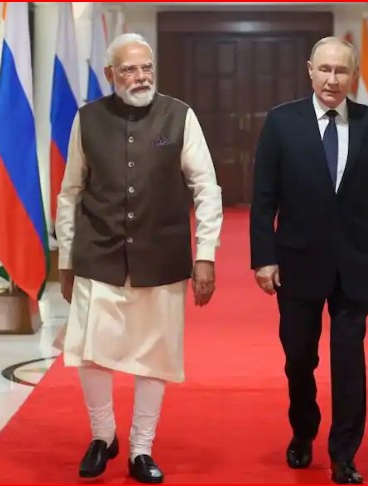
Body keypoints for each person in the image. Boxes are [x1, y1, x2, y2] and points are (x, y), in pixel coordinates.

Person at [55, 33, 223, 484]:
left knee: (155, 357)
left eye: (146, 67)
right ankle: (102, 436)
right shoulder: (87, 119)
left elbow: (206, 188)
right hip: (97, 252)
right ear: (110, 74)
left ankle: (141, 448)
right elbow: (70, 192)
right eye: (129, 69)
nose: (140, 76)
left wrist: (206, 254)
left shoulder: (180, 116)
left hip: (162, 257)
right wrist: (66, 258)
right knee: (90, 352)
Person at [249, 37, 368, 484]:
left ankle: (344, 453)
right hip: (297, 261)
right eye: (324, 69)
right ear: (310, 70)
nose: (332, 79)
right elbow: (263, 198)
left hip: (354, 262)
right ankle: (303, 431)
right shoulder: (282, 122)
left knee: (349, 362)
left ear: (353, 75)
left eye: (341, 71)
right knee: (299, 358)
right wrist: (263, 258)